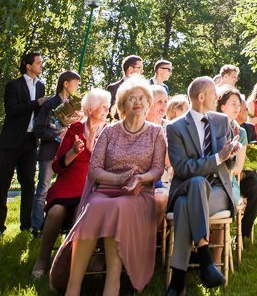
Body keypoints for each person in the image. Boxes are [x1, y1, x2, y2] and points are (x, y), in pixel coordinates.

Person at [61, 76, 165, 296]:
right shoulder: (109, 132)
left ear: (148, 104)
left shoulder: (156, 133)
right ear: (122, 105)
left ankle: (113, 283)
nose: (138, 102)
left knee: (117, 209)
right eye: (131, 98)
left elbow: (157, 170)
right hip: (107, 189)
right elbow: (94, 170)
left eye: (142, 99)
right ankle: (73, 286)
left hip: (138, 193)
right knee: (96, 206)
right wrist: (117, 179)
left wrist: (139, 179)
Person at [165, 77, 243, 296]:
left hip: (218, 191)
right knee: (197, 183)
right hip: (187, 186)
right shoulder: (175, 128)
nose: (217, 97)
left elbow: (228, 164)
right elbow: (182, 169)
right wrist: (218, 157)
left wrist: (230, 155)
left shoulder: (221, 121)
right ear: (201, 97)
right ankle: (204, 256)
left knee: (183, 206)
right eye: (213, 93)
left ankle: (177, 281)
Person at [33, 88, 110, 280]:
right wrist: (73, 152)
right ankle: (42, 259)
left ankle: (73, 263)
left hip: (93, 187)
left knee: (81, 213)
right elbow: (57, 166)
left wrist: (93, 149)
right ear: (91, 108)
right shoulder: (75, 129)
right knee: (55, 211)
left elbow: (111, 165)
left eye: (108, 107)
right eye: (104, 107)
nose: (108, 111)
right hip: (68, 185)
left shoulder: (110, 131)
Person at [0, 51, 46, 234]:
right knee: (2, 184)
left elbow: (39, 112)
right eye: (38, 63)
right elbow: (12, 110)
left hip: (30, 142)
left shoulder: (41, 86)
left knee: (29, 185)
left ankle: (26, 225)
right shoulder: (13, 85)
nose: (41, 65)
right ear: (28, 65)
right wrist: (36, 103)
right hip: (10, 142)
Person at [34, 70, 82, 235]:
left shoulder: (75, 105)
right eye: (75, 84)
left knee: (62, 189)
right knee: (43, 188)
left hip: (68, 155)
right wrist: (56, 136)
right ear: (66, 84)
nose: (77, 87)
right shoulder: (50, 103)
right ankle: (38, 227)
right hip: (50, 151)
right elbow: (38, 128)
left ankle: (60, 226)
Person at [217, 87, 257, 246]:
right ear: (222, 106)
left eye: (240, 105)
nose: (239, 109)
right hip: (219, 173)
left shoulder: (246, 130)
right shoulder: (211, 126)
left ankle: (243, 233)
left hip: (244, 174)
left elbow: (254, 155)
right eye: (235, 104)